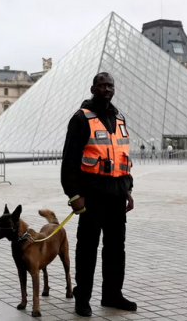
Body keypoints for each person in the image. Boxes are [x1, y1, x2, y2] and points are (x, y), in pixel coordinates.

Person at [61, 72, 136, 317]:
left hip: (116, 195)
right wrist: (74, 195)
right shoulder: (81, 118)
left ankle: (112, 294)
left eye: (110, 85)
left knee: (116, 248)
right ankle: (82, 298)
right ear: (93, 88)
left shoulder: (120, 117)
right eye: (101, 85)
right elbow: (69, 161)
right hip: (91, 196)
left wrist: (129, 190)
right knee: (87, 249)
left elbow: (123, 156)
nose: (106, 89)